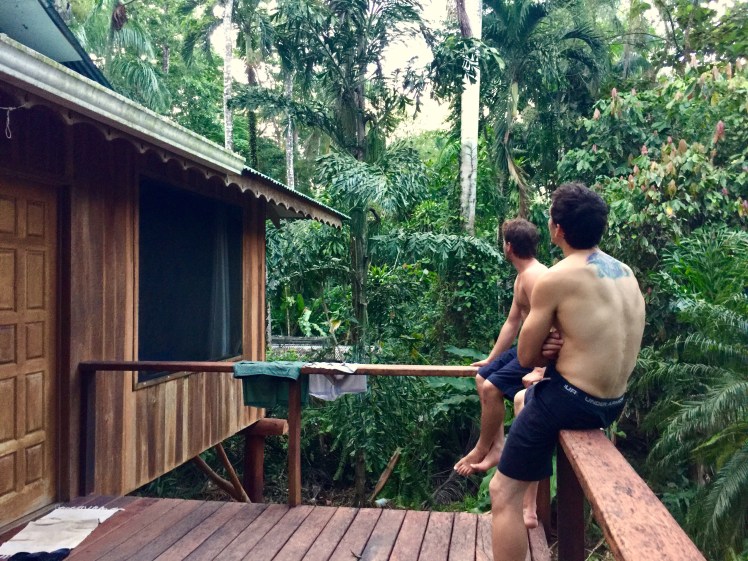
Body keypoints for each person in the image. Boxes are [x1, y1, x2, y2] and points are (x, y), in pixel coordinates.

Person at [489, 182, 646, 561]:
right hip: (613, 404)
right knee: (524, 397)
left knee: (501, 492)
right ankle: (533, 504)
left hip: (573, 402)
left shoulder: (556, 277)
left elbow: (525, 355)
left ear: (558, 229)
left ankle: (524, 503)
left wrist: (546, 348)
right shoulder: (626, 273)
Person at [454, 219, 547, 479]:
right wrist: (491, 358)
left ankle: (482, 448)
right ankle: (497, 446)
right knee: (482, 377)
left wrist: (540, 368)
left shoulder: (535, 277)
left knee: (492, 387)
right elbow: (512, 322)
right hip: (526, 347)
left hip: (539, 352)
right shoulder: (522, 276)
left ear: (509, 246)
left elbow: (554, 324)